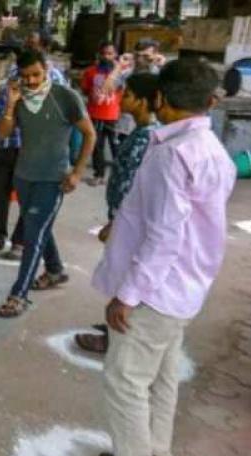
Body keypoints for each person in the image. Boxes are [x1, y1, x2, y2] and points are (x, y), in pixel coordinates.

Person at [74, 59, 236, 456]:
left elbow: (166, 235)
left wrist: (126, 295)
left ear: (161, 98)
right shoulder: (212, 150)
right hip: (185, 286)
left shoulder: (172, 154)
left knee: (125, 381)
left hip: (156, 290)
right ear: (211, 102)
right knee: (161, 378)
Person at [0, 50, 96, 318]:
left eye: (36, 75)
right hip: (24, 176)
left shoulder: (65, 96)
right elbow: (3, 134)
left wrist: (77, 172)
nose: (30, 81)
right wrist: (9, 104)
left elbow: (89, 134)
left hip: (53, 179)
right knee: (37, 226)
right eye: (25, 75)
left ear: (47, 70)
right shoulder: (18, 98)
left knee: (33, 235)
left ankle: (18, 294)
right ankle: (55, 270)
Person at [73, 73, 160, 354]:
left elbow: (132, 186)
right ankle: (114, 328)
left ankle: (117, 336)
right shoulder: (140, 132)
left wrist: (116, 221)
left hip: (130, 221)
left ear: (144, 101)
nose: (122, 100)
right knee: (120, 272)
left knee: (127, 275)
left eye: (129, 95)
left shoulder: (145, 137)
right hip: (126, 218)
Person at [0, 31, 67, 256]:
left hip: (33, 148)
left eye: (33, 44)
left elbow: (65, 117)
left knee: (27, 196)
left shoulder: (57, 79)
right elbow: (5, 107)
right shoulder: (16, 72)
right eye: (27, 43)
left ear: (44, 48)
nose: (27, 47)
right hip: (7, 143)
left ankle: (20, 242)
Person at [81, 41, 123, 186]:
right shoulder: (90, 72)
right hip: (95, 114)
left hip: (114, 115)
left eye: (110, 53)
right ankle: (99, 174)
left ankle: (120, 176)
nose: (106, 56)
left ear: (115, 55)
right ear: (99, 54)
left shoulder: (121, 74)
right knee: (97, 146)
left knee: (116, 147)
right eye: (104, 53)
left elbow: (124, 93)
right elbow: (85, 90)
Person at [110, 39, 165, 143]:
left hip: (152, 128)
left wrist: (162, 67)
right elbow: (107, 89)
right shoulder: (127, 73)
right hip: (126, 127)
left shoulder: (159, 74)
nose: (140, 60)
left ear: (155, 55)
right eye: (137, 56)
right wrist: (118, 67)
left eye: (145, 56)